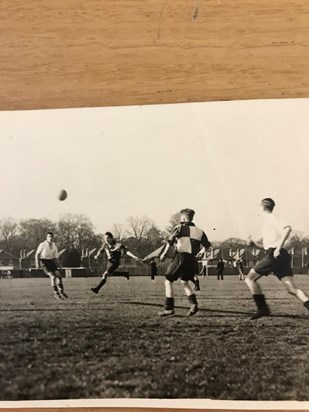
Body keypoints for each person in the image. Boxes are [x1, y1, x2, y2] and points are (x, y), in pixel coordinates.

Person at [245, 198, 309, 319]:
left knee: (250, 279)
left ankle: (262, 309)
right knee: (291, 288)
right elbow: (268, 246)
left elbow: (287, 228)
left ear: (263, 207)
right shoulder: (268, 222)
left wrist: (278, 248)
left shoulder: (273, 218)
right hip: (278, 255)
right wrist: (254, 244)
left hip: (275, 254)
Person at [158, 208, 211, 316]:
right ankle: (193, 305)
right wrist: (201, 252)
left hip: (181, 257)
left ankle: (169, 308)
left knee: (168, 281)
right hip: (192, 260)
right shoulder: (200, 231)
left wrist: (163, 253)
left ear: (182, 218)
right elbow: (207, 246)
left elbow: (170, 241)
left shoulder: (179, 228)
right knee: (185, 282)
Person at [35, 232, 68, 300]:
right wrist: (37, 264)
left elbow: (56, 258)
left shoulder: (54, 245)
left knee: (59, 276)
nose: (50, 238)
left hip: (51, 261)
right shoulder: (42, 244)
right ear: (47, 237)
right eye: (49, 236)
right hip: (44, 262)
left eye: (51, 237)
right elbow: (37, 254)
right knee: (52, 277)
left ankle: (61, 291)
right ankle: (56, 293)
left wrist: (60, 267)